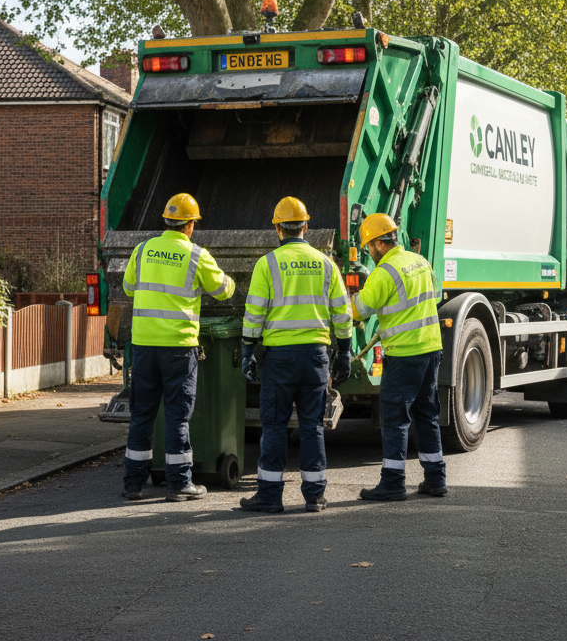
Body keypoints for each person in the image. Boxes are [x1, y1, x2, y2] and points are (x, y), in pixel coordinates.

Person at [239, 197, 353, 513]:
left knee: (274, 426)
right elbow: (343, 314)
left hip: (279, 359)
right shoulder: (326, 263)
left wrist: (248, 350)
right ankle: (315, 496)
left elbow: (254, 314)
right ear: (306, 226)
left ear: (278, 228)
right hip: (316, 357)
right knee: (312, 425)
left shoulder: (268, 264)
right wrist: (343, 352)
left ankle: (270, 496)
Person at [120, 192, 235, 501]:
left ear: (168, 222)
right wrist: (229, 281)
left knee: (142, 415)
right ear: (190, 226)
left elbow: (128, 286)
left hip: (144, 345)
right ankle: (179, 483)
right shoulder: (196, 255)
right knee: (177, 416)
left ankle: (133, 484)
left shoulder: (143, 250)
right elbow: (223, 291)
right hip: (178, 347)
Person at [351, 213, 447, 501]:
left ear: (380, 244)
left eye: (368, 246)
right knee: (426, 414)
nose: (368, 252)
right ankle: (436, 479)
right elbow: (437, 294)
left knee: (395, 418)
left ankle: (393, 482)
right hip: (431, 350)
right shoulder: (421, 261)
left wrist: (347, 296)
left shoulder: (384, 271)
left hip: (405, 354)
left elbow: (361, 310)